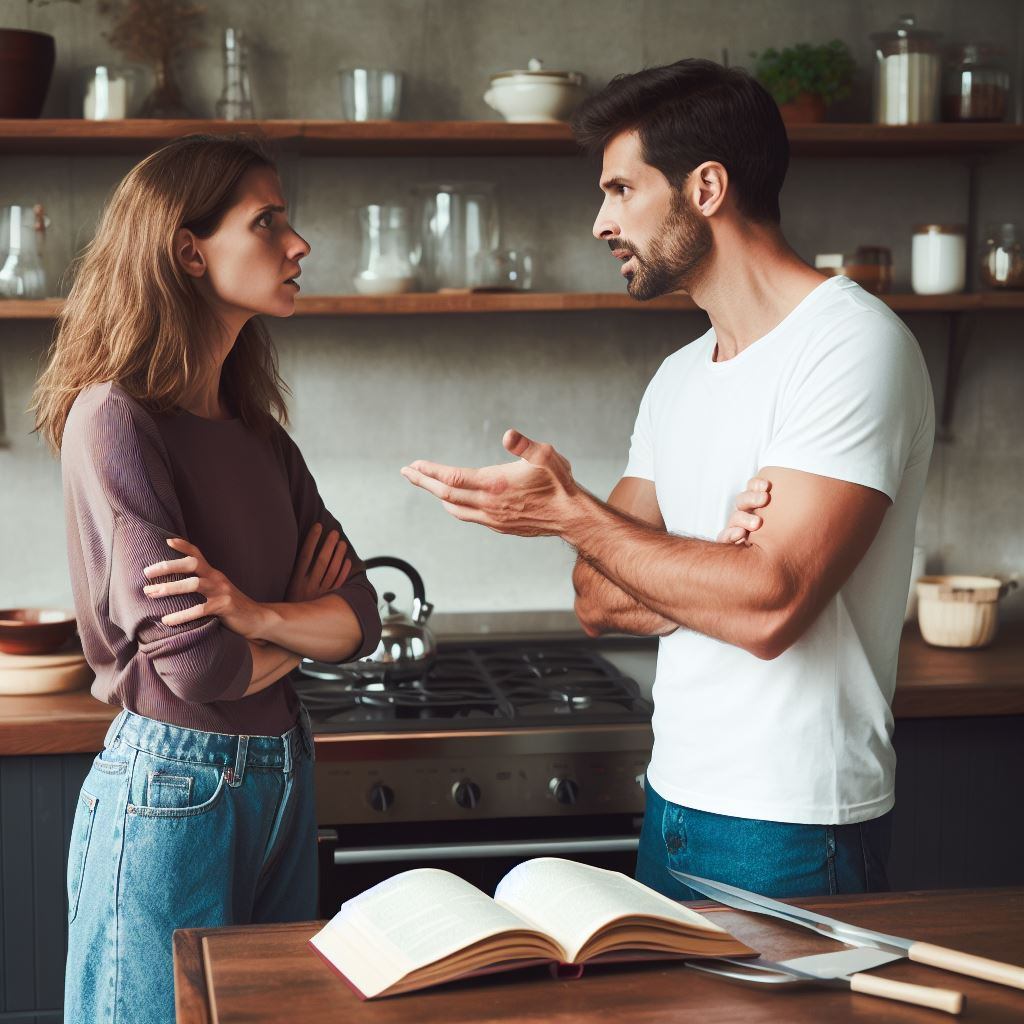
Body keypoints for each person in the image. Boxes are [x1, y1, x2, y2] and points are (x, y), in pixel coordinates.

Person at [401, 60, 934, 900]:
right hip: (674, 801)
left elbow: (768, 609)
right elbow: (595, 598)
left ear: (706, 188)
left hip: (794, 821)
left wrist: (580, 517)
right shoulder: (679, 376)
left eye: (621, 189)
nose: (600, 222)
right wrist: (717, 557)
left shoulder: (851, 347)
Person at [32, 134, 382, 1024]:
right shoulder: (114, 419)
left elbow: (361, 616)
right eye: (267, 223)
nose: (298, 244)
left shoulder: (261, 436)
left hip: (285, 777)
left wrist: (255, 613)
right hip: (173, 790)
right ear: (189, 251)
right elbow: (198, 668)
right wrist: (297, 627)